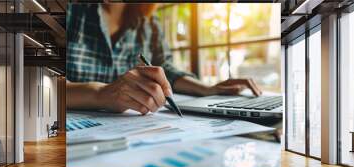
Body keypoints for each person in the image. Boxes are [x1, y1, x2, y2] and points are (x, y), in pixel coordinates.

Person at [66, 3, 262, 114]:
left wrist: (207, 89)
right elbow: (47, 80)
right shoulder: (68, 10)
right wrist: (100, 94)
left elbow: (165, 67)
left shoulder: (148, 22)